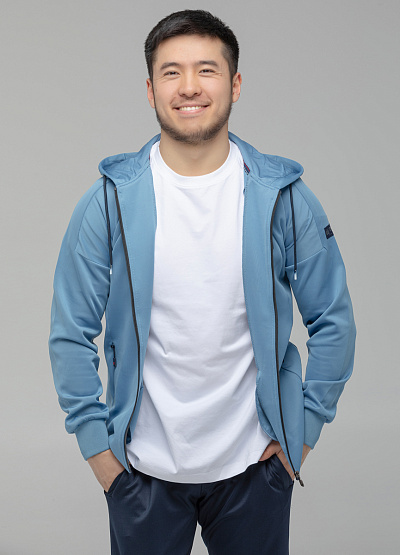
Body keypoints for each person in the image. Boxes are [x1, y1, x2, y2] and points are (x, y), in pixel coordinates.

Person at [49, 9, 356, 555]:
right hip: (138, 473)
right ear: (150, 90)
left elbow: (334, 322)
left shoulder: (285, 197)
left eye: (206, 70)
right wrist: (99, 453)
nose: (189, 87)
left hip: (255, 470)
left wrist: (302, 435)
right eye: (171, 72)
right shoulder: (108, 201)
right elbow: (70, 331)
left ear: (234, 84)